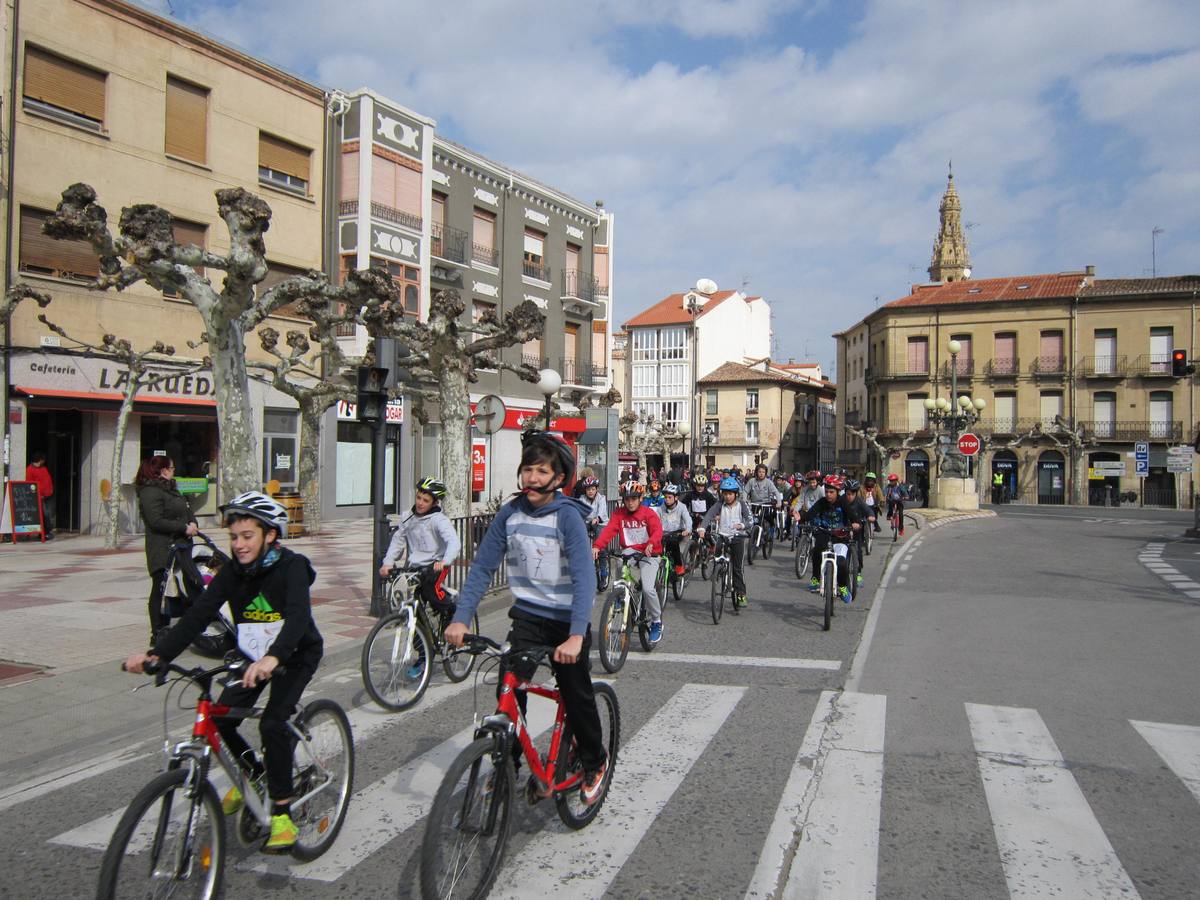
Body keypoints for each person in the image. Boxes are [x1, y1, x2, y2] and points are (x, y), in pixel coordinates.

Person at [124, 491, 323, 852]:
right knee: (221, 719)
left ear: (270, 535)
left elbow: (297, 620)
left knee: (272, 723)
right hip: (252, 656)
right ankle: (257, 776)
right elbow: (199, 614)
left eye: (248, 536)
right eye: (234, 537)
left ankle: (283, 814)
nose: (239, 544)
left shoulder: (291, 568)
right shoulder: (232, 571)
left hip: (294, 655)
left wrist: (274, 658)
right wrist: (158, 655)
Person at [446, 433, 608, 803]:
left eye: (542, 471)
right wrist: (460, 618)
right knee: (509, 689)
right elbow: (483, 566)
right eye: (528, 469)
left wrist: (576, 636)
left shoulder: (567, 517)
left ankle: (594, 759)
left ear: (558, 477)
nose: (532, 478)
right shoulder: (511, 512)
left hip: (568, 622)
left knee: (575, 691)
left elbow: (584, 578)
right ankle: (508, 764)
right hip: (529, 618)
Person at [135, 456, 198, 645]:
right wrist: (182, 527)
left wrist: (192, 521)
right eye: (171, 468)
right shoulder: (150, 492)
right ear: (162, 470)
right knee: (160, 587)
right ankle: (158, 630)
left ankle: (192, 624)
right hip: (163, 547)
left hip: (182, 545)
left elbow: (185, 509)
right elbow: (156, 521)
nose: (174, 471)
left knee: (191, 583)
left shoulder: (171, 488)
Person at [593, 481, 665, 642]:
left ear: (640, 498)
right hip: (631, 550)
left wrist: (652, 543)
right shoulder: (619, 514)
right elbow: (609, 531)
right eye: (627, 499)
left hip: (650, 553)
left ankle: (656, 621)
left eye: (634, 498)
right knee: (620, 560)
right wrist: (597, 546)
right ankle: (620, 595)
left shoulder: (649, 513)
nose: (630, 502)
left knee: (647, 589)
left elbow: (657, 530)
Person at [379, 476, 461, 614]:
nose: (420, 503)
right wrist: (388, 562)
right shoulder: (408, 517)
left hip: (436, 565)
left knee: (431, 591)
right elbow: (398, 540)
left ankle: (452, 611)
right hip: (415, 567)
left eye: (425, 500)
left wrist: (445, 561)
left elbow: (454, 542)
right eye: (418, 498)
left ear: (434, 503)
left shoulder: (439, 520)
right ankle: (418, 634)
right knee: (414, 604)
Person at [802, 475, 861, 602]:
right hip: (824, 533)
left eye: (831, 492)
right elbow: (811, 513)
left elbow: (853, 516)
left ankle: (843, 587)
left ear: (837, 492)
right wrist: (800, 518)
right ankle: (815, 578)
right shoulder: (822, 502)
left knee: (841, 563)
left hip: (840, 536)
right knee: (817, 552)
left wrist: (856, 523)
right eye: (827, 491)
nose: (828, 494)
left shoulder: (843, 502)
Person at [697, 476, 752, 608]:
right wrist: (702, 528)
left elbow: (750, 520)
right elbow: (709, 515)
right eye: (725, 494)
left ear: (736, 494)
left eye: (730, 494)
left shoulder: (742, 504)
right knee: (717, 560)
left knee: (738, 568)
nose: (727, 497)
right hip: (723, 537)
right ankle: (719, 574)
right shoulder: (720, 504)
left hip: (738, 538)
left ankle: (741, 593)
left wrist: (742, 526)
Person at [655, 483, 692, 578]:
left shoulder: (682, 507)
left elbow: (688, 520)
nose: (666, 500)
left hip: (679, 532)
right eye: (665, 497)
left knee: (675, 545)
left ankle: (679, 566)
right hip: (664, 533)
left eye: (669, 497)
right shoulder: (660, 508)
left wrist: (687, 529)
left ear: (676, 498)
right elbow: (654, 520)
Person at [843, 479, 872, 587]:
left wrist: (870, 515)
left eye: (853, 494)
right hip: (844, 529)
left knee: (858, 551)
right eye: (848, 494)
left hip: (857, 529)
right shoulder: (841, 500)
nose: (850, 496)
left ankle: (858, 573)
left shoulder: (859, 501)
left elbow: (867, 509)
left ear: (856, 493)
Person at [25, 451, 55, 538]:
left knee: (48, 514)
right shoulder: (30, 470)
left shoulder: (43, 468)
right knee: (44, 514)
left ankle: (46, 532)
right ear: (40, 460)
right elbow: (29, 484)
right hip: (38, 496)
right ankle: (44, 532)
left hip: (47, 495)